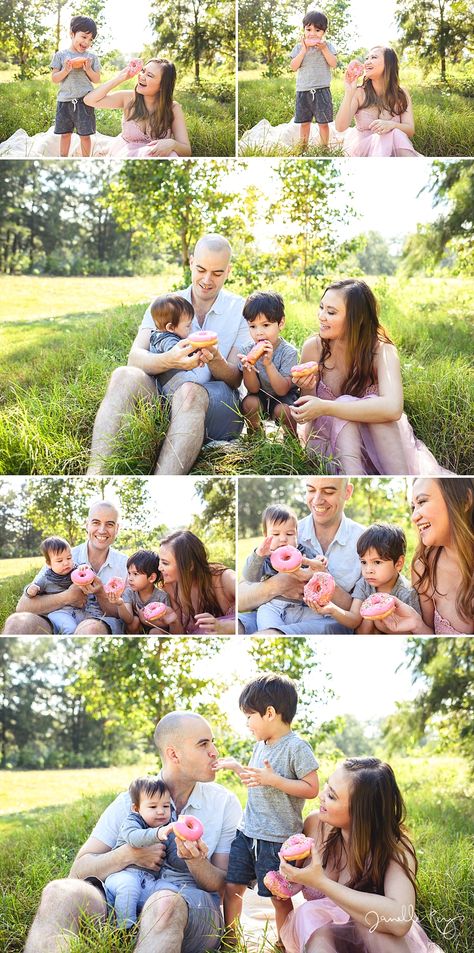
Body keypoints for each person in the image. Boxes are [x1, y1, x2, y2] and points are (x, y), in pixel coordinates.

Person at [24, 711, 243, 953]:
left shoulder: (224, 804)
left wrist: (196, 861)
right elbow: (78, 870)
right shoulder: (130, 801)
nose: (215, 752)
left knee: (163, 905)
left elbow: (225, 885)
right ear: (173, 754)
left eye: (213, 743)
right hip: (121, 909)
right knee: (59, 892)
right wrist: (129, 854)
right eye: (204, 744)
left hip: (190, 912)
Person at [87, 234, 252, 476]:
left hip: (217, 406)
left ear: (228, 271)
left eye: (217, 273)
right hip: (165, 397)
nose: (207, 280)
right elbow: (135, 357)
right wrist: (169, 360)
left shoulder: (241, 309)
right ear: (191, 262)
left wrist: (215, 358)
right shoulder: (165, 304)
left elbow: (236, 379)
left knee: (190, 392)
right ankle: (95, 473)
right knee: (123, 375)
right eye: (201, 269)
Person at [278, 757, 446, 953]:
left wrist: (321, 882)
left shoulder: (394, 847)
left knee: (371, 927)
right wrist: (287, 881)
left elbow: (400, 920)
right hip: (324, 925)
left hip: (376, 930)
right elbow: (298, 881)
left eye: (332, 796)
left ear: (361, 813)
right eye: (327, 786)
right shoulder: (315, 824)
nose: (321, 796)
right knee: (314, 926)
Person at [291, 279, 452, 475]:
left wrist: (327, 406)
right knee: (347, 413)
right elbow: (306, 416)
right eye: (321, 307)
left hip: (381, 444)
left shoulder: (382, 351)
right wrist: (308, 388)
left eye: (331, 312)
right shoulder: (313, 347)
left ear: (356, 319)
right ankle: (355, 477)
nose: (321, 317)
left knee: (370, 410)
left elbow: (393, 408)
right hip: (329, 444)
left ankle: (400, 480)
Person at [216, 673, 319, 946]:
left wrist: (275, 780)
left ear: (270, 713)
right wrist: (239, 768)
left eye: (250, 715)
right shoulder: (259, 746)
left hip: (276, 839)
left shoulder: (297, 747)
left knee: (279, 897)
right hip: (247, 832)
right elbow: (256, 782)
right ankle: (230, 938)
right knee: (233, 886)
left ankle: (285, 942)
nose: (247, 723)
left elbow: (311, 788)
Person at [238, 478, 366, 635]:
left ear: (347, 492)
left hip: (321, 617)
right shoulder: (283, 530)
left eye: (329, 491)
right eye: (311, 490)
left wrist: (323, 577)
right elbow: (241, 597)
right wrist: (276, 585)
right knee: (237, 624)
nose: (318, 500)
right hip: (272, 608)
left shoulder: (364, 542)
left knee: (270, 634)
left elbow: (361, 613)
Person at [2, 501, 127, 635]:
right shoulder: (63, 557)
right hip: (57, 619)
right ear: (87, 525)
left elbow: (125, 615)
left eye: (109, 524)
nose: (102, 530)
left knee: (90, 630)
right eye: (96, 522)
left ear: (117, 529)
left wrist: (101, 593)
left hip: (98, 623)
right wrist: (67, 597)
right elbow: (22, 607)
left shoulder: (126, 565)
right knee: (16, 622)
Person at [374, 478, 473, 635]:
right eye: (413, 507)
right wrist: (416, 623)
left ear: (465, 500)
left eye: (422, 502)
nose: (414, 517)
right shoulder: (423, 567)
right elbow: (430, 634)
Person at [311, 523, 420, 633]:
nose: (368, 570)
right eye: (363, 562)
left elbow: (415, 631)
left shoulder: (407, 594)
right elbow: (354, 619)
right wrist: (332, 609)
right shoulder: (364, 584)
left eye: (377, 562)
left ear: (398, 563)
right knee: (367, 622)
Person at [241, 504, 330, 632]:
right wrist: (258, 556)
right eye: (275, 534)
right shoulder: (264, 557)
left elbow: (317, 568)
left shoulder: (303, 552)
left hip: (301, 607)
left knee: (326, 618)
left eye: (289, 533)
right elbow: (250, 577)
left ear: (296, 534)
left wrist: (320, 560)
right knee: (269, 628)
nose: (283, 539)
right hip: (271, 607)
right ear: (265, 535)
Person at [83, 58, 191, 157]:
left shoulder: (173, 108)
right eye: (143, 71)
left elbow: (186, 150)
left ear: (163, 86)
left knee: (171, 155)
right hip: (125, 154)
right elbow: (89, 100)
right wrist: (120, 78)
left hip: (153, 159)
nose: (141, 76)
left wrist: (172, 144)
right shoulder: (128, 98)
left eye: (149, 75)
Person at [104, 776, 174, 927]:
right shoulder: (132, 822)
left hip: (149, 880)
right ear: (136, 808)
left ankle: (150, 926)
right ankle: (125, 928)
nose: (161, 812)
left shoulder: (169, 826)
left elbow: (174, 858)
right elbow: (133, 838)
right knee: (129, 886)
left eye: (166, 806)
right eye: (153, 807)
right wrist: (158, 833)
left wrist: (186, 848)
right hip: (122, 876)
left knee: (171, 891)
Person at [335, 47, 421, 157]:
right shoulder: (359, 93)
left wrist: (391, 125)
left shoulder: (401, 94)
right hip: (363, 149)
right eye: (367, 58)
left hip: (394, 146)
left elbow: (410, 130)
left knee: (396, 133)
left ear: (388, 63)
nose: (367, 62)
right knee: (385, 135)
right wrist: (349, 92)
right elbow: (340, 127)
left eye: (374, 57)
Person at [238, 291, 299, 435]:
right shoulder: (247, 349)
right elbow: (252, 389)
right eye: (253, 326)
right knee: (248, 404)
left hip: (284, 397)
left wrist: (268, 364)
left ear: (281, 323)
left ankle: (291, 439)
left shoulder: (288, 352)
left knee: (284, 411)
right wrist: (248, 368)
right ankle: (255, 434)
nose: (259, 332)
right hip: (261, 394)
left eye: (265, 325)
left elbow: (282, 390)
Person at [158, 530, 236, 634]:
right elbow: (180, 636)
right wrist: (174, 622)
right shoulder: (169, 587)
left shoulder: (224, 578)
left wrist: (223, 627)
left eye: (165, 563)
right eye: (160, 561)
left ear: (189, 565)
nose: (159, 568)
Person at [51, 15, 101, 157]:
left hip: (84, 101)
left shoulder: (92, 57)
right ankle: (63, 157)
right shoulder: (61, 55)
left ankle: (86, 158)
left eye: (91, 39)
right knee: (65, 134)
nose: (87, 42)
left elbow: (97, 79)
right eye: (84, 37)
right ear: (72, 34)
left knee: (85, 135)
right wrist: (65, 70)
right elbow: (54, 79)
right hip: (64, 101)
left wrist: (89, 70)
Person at [290, 9, 337, 149]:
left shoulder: (327, 46)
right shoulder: (299, 47)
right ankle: (303, 146)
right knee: (304, 123)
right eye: (308, 29)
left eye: (317, 30)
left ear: (324, 32)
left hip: (322, 90)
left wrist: (324, 49)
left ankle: (324, 146)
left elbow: (333, 64)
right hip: (303, 91)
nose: (312, 33)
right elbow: (293, 66)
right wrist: (304, 50)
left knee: (323, 123)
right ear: (304, 30)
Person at [23, 535, 86, 635]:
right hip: (59, 612)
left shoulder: (76, 569)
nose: (66, 563)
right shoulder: (46, 579)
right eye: (59, 560)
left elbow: (88, 575)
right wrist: (30, 590)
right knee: (70, 629)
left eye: (69, 558)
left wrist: (85, 568)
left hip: (79, 610)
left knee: (85, 628)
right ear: (49, 563)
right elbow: (32, 589)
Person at [105, 549, 174, 634]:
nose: (130, 578)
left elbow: (166, 623)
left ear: (151, 578)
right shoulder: (129, 592)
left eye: (135, 574)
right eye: (129, 573)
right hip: (136, 629)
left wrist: (145, 620)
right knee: (134, 622)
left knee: (155, 632)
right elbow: (128, 619)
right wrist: (120, 603)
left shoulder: (162, 597)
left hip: (155, 627)